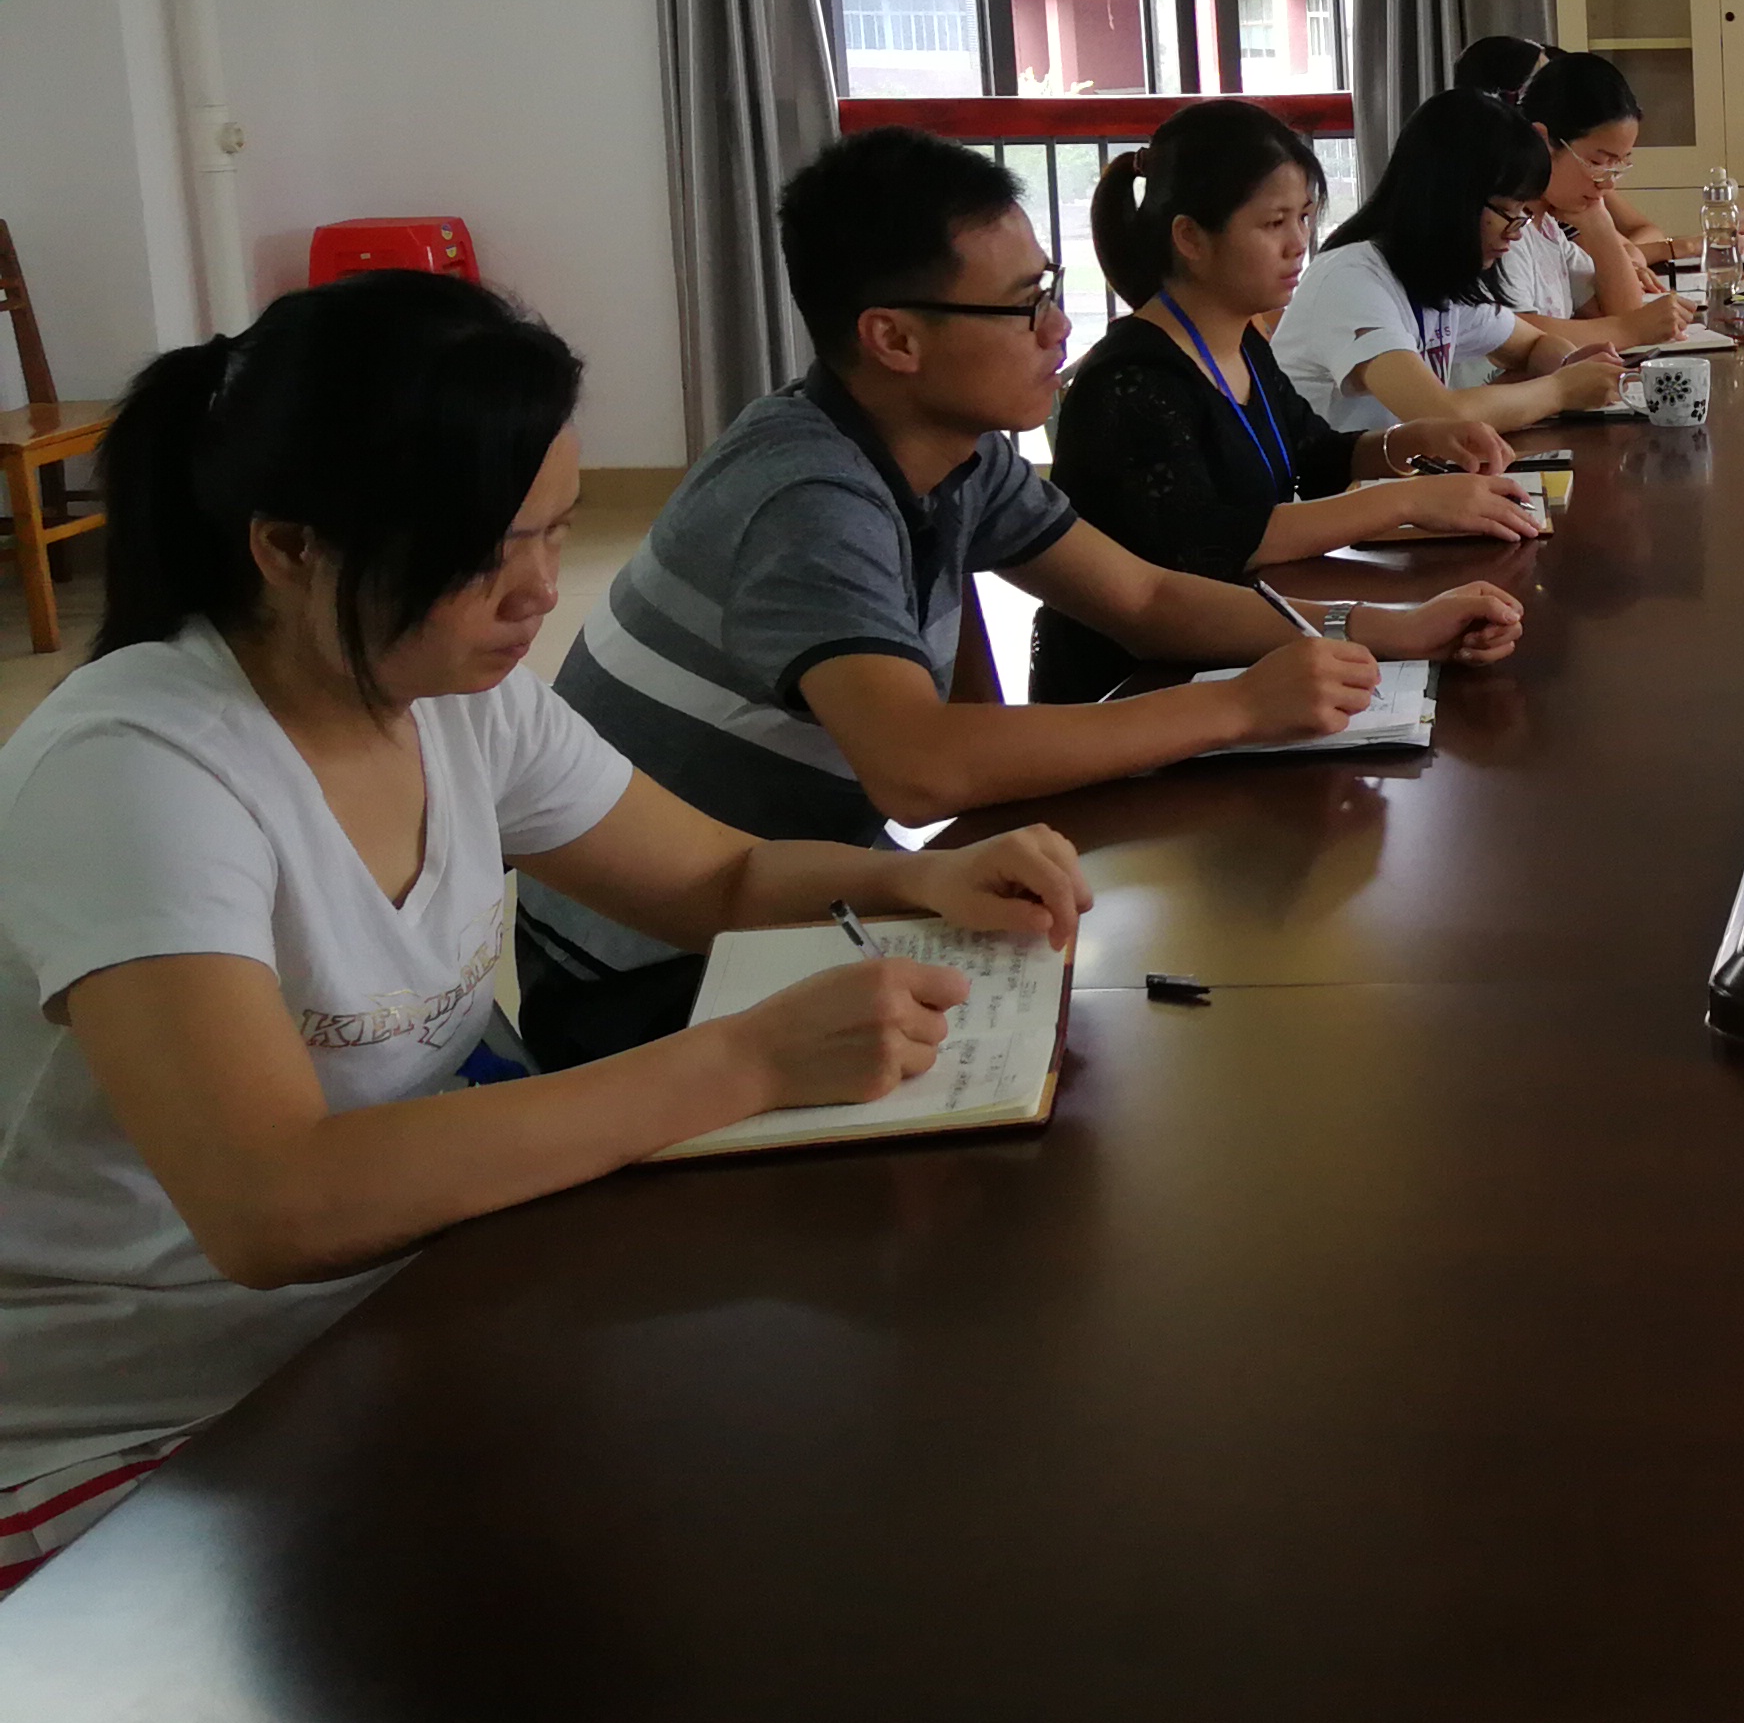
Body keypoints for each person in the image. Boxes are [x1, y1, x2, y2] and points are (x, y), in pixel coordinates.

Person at [0, 272, 1096, 1595]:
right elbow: (275, 1203)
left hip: (405, 1302)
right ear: (288, 547)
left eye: (555, 532)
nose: (535, 593)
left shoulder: (452, 695)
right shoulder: (141, 771)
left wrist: (925, 883)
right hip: (141, 1410)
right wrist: (743, 1061)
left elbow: (722, 877)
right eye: (484, 554)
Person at [524, 129, 1519, 1064]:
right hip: (651, 970)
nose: (1058, 327)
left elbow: (1143, 599)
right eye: (1021, 307)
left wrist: (1391, 630)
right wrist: (1238, 708)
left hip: (809, 896)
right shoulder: (806, 496)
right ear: (893, 338)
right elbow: (918, 769)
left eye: (1048, 290)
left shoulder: (959, 455)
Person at [1037, 99, 1546, 706]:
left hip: (1247, 638)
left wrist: (1410, 442)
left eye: (1305, 217)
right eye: (1274, 223)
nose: (1299, 243)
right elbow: (1212, 545)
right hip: (1138, 688)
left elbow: (1311, 452)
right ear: (1190, 237)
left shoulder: (1241, 341)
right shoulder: (1132, 382)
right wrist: (1409, 500)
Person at [1275, 90, 1638, 436]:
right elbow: (1441, 414)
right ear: (1451, 200)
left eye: (1522, 215)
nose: (1516, 233)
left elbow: (1537, 345)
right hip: (1331, 480)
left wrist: (1570, 366)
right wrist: (1561, 389)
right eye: (1507, 212)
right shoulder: (1351, 280)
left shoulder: (1436, 277)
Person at [1504, 51, 1700, 350]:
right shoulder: (1506, 229)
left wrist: (1599, 224)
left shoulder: (1550, 229)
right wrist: (1629, 329)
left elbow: (1623, 310)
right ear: (1543, 141)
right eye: (1597, 162)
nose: (1607, 183)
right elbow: (1512, 332)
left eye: (1618, 165)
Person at [1458, 33, 1682, 264]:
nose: (1608, 183)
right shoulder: (1515, 216)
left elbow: (1634, 242)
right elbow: (1619, 256)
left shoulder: (1568, 192)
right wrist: (1678, 248)